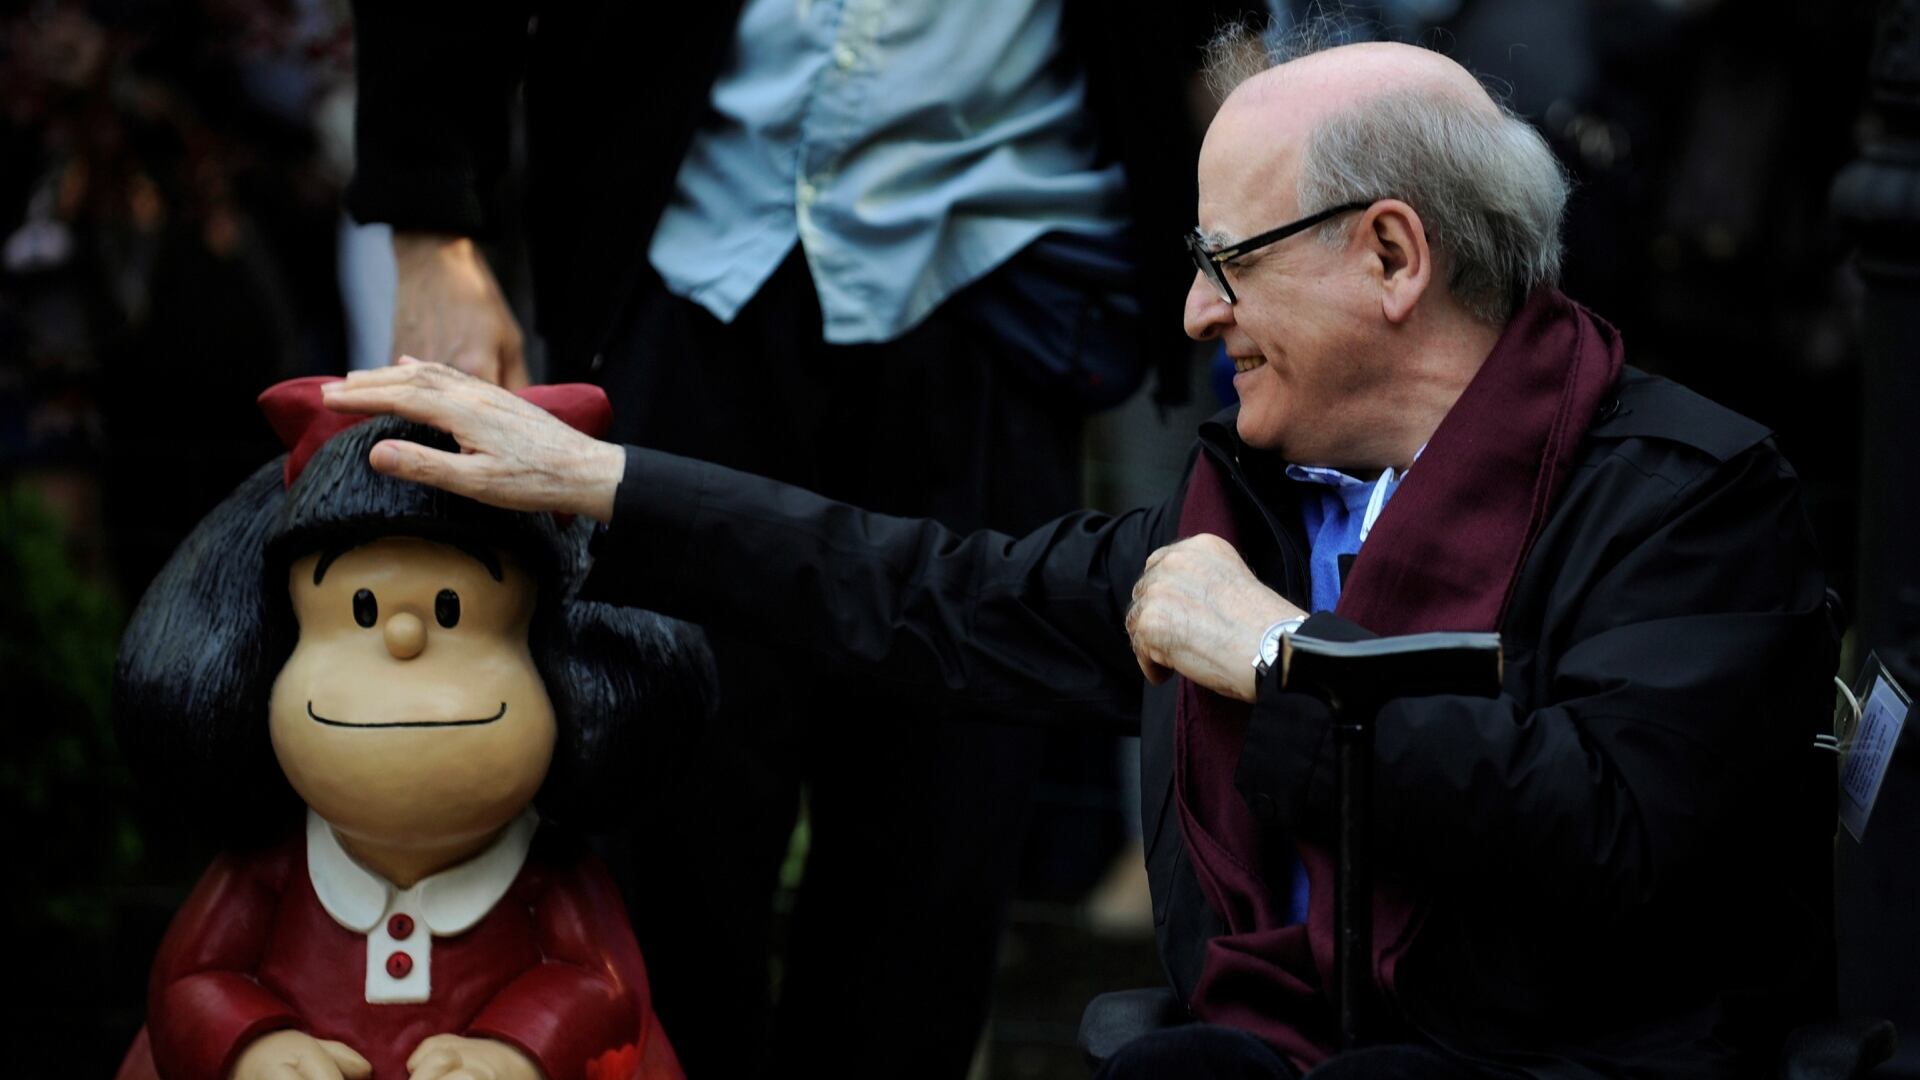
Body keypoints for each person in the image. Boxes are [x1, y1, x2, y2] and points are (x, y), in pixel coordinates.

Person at [322, 35, 1837, 1079]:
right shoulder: (1247, 506)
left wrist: (1277, 658)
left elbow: (1617, 837)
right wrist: (600, 481)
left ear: (1391, 256)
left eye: (1227, 264)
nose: (1193, 316)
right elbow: (909, 588)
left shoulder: (1693, 492)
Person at [342, 5, 1258, 1073]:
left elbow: (1218, 31)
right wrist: (429, 229)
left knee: (939, 849)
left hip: (1000, 285)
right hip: (685, 265)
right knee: (661, 813)